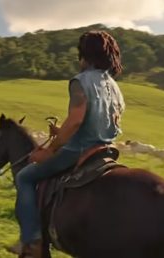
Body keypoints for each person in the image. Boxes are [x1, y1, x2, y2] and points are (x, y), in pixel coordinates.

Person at [15, 30, 125, 258]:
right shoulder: (115, 86)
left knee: (24, 177)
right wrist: (61, 132)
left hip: (79, 150)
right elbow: (103, 122)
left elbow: (76, 121)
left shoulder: (81, 81)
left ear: (85, 54)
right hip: (106, 151)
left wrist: (49, 151)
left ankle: (32, 241)